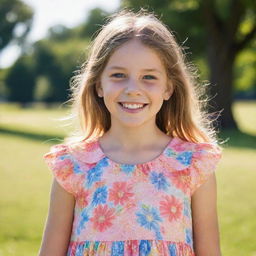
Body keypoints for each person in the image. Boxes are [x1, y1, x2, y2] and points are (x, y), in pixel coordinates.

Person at [38, 10, 223, 256]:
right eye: (118, 75)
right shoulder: (75, 165)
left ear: (168, 87)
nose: (133, 89)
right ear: (98, 85)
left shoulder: (192, 164)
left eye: (148, 77)